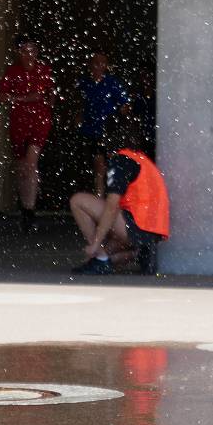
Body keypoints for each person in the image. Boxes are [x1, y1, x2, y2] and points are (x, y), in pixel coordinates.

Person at [69, 145, 169, 275]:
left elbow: (112, 205)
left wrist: (96, 244)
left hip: (137, 227)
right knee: (106, 252)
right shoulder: (140, 159)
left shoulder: (120, 160)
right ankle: (135, 254)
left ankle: (101, 259)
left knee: (77, 200)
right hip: (150, 234)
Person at [0, 37, 55, 232]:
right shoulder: (12, 72)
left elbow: (49, 94)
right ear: (18, 52)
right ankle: (26, 207)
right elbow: (1, 96)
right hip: (19, 122)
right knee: (22, 168)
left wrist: (45, 100)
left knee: (31, 162)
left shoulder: (44, 70)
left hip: (39, 120)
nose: (30, 54)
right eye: (25, 50)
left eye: (33, 50)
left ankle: (30, 208)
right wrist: (22, 98)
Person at [76, 52, 131, 197]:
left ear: (106, 65)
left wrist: (120, 115)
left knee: (102, 165)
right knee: (95, 166)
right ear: (90, 65)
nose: (99, 66)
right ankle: (98, 197)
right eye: (95, 62)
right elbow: (79, 104)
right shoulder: (84, 83)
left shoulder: (112, 83)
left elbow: (124, 105)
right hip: (89, 130)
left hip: (107, 130)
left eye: (102, 63)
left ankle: (103, 197)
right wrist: (78, 118)